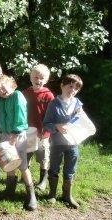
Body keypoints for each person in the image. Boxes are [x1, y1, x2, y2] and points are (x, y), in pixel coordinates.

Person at [0, 75, 37, 211]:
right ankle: (9, 191)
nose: (2, 92)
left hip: (17, 135)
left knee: (23, 165)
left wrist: (14, 135)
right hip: (7, 134)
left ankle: (31, 195)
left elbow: (20, 116)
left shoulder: (17, 96)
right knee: (9, 162)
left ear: (12, 84)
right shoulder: (2, 100)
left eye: (3, 88)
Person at [42, 74, 85, 209]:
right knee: (54, 168)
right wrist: (56, 126)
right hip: (57, 143)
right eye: (70, 86)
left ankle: (67, 195)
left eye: (76, 89)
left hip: (73, 143)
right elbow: (46, 124)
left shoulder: (78, 104)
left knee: (70, 169)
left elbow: (82, 120)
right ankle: (52, 194)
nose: (72, 90)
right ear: (62, 85)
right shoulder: (53, 104)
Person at [23, 64, 55, 191]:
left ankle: (43, 180)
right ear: (31, 78)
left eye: (42, 78)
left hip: (43, 132)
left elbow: (52, 116)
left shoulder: (48, 95)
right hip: (28, 131)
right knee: (27, 154)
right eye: (36, 77)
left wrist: (46, 130)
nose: (38, 80)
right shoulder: (25, 93)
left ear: (46, 80)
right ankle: (26, 176)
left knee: (43, 156)